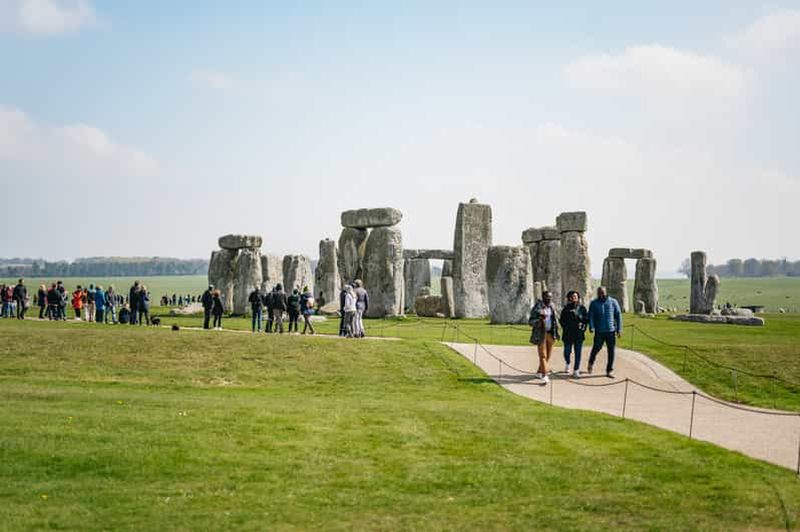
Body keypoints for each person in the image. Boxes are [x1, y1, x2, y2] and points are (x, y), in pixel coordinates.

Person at [587, 286, 623, 378]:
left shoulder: (613, 302)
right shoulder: (594, 303)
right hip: (599, 331)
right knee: (596, 348)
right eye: (599, 293)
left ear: (606, 292)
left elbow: (618, 316)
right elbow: (590, 316)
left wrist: (619, 329)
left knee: (611, 351)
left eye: (602, 293)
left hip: (610, 331)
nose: (601, 295)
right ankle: (590, 363)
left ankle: (609, 370)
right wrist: (591, 326)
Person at [529, 290, 559, 384]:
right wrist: (539, 320)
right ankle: (545, 375)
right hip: (541, 333)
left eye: (550, 297)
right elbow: (530, 321)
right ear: (543, 297)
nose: (549, 298)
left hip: (551, 333)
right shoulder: (537, 307)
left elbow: (555, 319)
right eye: (547, 297)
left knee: (548, 356)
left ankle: (539, 371)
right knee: (543, 355)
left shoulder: (552, 306)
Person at [559, 290, 589, 378]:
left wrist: (583, 326)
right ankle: (568, 362)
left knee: (578, 352)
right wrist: (567, 326)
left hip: (578, 334)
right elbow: (562, 321)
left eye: (575, 297)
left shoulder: (582, 308)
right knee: (567, 352)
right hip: (568, 334)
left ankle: (576, 370)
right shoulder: (565, 309)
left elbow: (586, 319)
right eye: (572, 297)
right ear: (569, 298)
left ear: (578, 298)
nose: (574, 298)